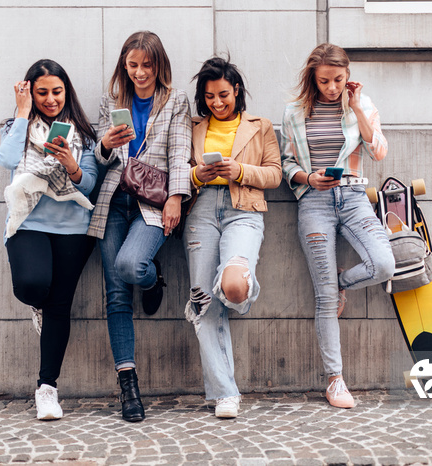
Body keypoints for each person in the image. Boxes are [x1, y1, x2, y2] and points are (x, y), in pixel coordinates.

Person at [280, 44, 395, 409]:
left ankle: (341, 282)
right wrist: (308, 178)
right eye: (325, 81)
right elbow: (286, 164)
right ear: (313, 78)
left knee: (384, 263)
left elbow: (378, 151)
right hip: (314, 203)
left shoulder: (361, 106)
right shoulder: (295, 113)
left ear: (348, 76)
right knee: (323, 297)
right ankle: (335, 380)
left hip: (355, 198)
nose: (332, 87)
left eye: (338, 80)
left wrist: (358, 106)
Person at [87, 31, 192, 422]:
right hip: (114, 201)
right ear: (124, 65)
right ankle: (128, 386)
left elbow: (181, 151)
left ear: (158, 64)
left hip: (152, 203)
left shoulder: (175, 100)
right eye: (133, 65)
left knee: (131, 267)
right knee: (116, 294)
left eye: (147, 65)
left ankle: (152, 278)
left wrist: (176, 198)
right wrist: (106, 144)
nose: (140, 73)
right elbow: (99, 159)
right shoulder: (111, 100)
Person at [0, 59, 98, 420]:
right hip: (28, 224)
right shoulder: (17, 127)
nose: (51, 99)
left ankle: (47, 389)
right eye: (42, 93)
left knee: (60, 306)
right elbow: (5, 159)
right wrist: (23, 113)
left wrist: (72, 164)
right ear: (31, 93)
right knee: (32, 286)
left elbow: (89, 185)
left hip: (73, 229)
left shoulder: (82, 133)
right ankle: (36, 305)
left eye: (57, 91)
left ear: (66, 91)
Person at [184, 56, 282, 419]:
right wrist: (198, 175)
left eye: (223, 94)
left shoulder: (260, 126)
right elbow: (177, 170)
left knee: (234, 286)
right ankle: (225, 393)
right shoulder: (192, 126)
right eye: (209, 97)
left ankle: (233, 296)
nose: (217, 102)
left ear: (236, 90)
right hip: (202, 212)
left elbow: (275, 174)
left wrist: (239, 170)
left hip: (245, 209)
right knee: (204, 302)